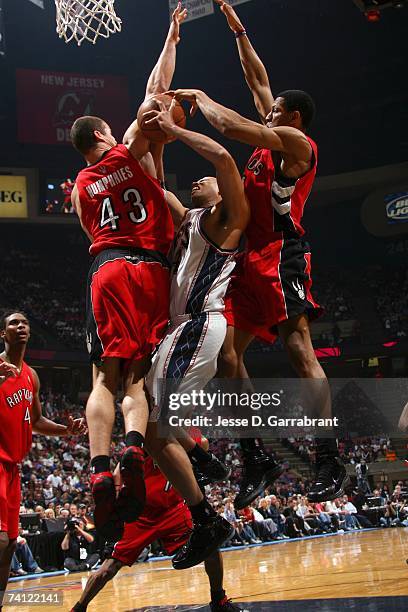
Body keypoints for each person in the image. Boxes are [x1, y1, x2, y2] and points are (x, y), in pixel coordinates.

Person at [170, 0, 347, 509]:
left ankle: (328, 456)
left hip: (282, 251)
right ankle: (254, 457)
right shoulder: (273, 131)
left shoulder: (295, 142)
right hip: (246, 257)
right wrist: (237, 27)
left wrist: (201, 97)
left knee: (298, 348)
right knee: (228, 356)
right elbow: (257, 78)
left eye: (273, 110)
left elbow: (230, 127)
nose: (264, 109)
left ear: (292, 118)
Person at [141, 98, 250, 568]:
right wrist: (158, 138)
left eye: (205, 182)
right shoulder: (189, 218)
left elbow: (224, 160)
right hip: (179, 330)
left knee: (156, 428)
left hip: (201, 324)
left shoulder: (229, 220)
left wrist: (176, 128)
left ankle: (206, 516)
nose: (198, 180)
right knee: (147, 417)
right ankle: (201, 460)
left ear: (224, 193)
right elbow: (153, 181)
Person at [70, 442, 243, 612]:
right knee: (109, 568)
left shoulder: (178, 437)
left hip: (174, 508)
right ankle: (79, 607)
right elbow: (118, 475)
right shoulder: (138, 447)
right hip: (141, 516)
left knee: (210, 546)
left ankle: (219, 600)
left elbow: (202, 445)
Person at [0, 311, 86, 609]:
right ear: (3, 334)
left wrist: (66, 430)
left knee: (11, 542)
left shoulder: (31, 375)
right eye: (13, 323)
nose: (20, 326)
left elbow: (35, 420)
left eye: (24, 322)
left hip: (14, 467)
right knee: (1, 539)